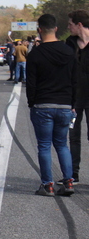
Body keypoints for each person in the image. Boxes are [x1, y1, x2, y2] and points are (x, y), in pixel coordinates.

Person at [26, 13, 76, 196]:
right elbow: (74, 80)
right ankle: (69, 182)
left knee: (44, 145)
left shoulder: (36, 54)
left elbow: (31, 83)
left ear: (39, 30)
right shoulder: (69, 52)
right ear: (56, 29)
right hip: (64, 105)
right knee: (62, 144)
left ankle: (48, 185)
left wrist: (32, 103)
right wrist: (72, 104)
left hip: (43, 105)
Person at [65, 9, 89, 184]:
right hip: (74, 98)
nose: (68, 27)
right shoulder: (70, 43)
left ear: (79, 24)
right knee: (73, 136)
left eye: (70, 24)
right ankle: (74, 173)